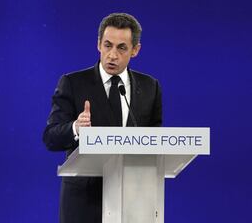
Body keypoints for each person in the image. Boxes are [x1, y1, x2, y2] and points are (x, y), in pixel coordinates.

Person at [42, 13, 162, 223]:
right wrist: (76, 128)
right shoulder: (73, 83)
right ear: (98, 44)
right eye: (107, 45)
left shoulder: (150, 87)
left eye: (121, 48)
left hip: (134, 203)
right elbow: (50, 137)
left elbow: (156, 141)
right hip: (84, 205)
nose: (112, 55)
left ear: (135, 50)